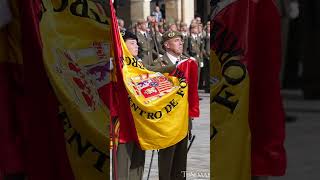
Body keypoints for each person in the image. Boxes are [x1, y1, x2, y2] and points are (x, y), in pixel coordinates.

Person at [156, 30, 197, 180]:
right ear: (166, 45)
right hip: (168, 121)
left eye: (181, 40)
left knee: (181, 164)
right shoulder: (159, 64)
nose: (180, 43)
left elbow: (191, 91)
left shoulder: (188, 62)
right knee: (167, 163)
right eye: (176, 40)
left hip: (183, 119)